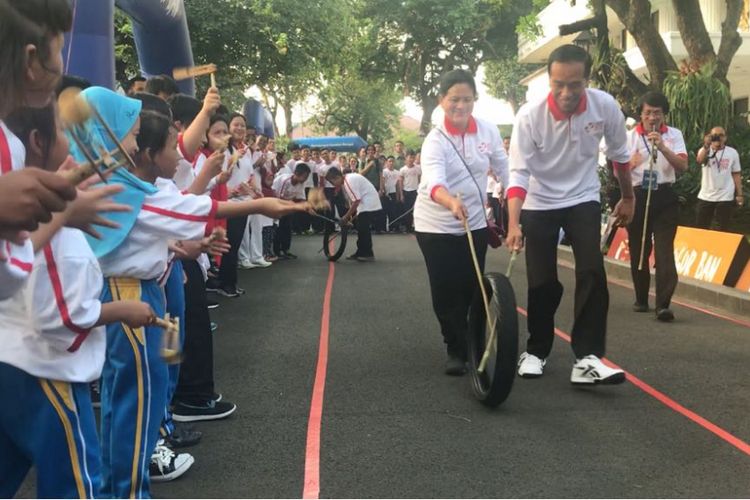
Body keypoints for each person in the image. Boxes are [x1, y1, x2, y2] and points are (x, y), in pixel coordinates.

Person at [1, 102, 155, 499]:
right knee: (77, 483)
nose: (73, 144)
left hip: (16, 364)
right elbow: (62, 317)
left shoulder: (26, 213)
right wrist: (123, 310)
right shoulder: (57, 235)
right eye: (64, 132)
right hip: (48, 372)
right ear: (37, 142)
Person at [506, 44, 635, 385]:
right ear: (549, 80)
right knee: (542, 281)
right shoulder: (529, 117)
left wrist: (628, 198)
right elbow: (518, 174)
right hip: (539, 201)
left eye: (574, 84)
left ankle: (588, 358)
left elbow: (620, 156)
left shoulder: (604, 105)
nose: (566, 92)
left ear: (587, 80)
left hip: (582, 197)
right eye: (558, 84)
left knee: (592, 269)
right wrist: (513, 222)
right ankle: (536, 350)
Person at [413, 69, 508, 375]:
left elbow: (504, 168)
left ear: (474, 100)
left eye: (467, 99)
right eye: (454, 99)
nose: (460, 105)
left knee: (472, 286)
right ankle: (455, 347)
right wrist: (451, 202)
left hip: (475, 223)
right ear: (442, 101)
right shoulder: (434, 141)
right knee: (446, 289)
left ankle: (472, 338)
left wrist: (519, 199)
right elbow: (434, 183)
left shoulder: (488, 131)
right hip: (435, 226)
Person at [625, 91, 688, 321]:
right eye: (648, 112)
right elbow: (618, 169)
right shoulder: (630, 137)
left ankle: (663, 304)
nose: (653, 117)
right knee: (639, 248)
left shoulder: (673, 135)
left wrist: (662, 147)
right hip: (639, 195)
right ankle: (641, 297)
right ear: (641, 114)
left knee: (664, 250)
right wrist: (634, 161)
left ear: (664, 115)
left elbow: (682, 166)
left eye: (657, 113)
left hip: (665, 196)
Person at [325, 167, 382, 262]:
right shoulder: (349, 178)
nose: (333, 185)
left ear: (337, 177)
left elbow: (356, 201)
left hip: (369, 203)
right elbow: (355, 201)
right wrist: (350, 217)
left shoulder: (348, 181)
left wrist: (346, 217)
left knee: (363, 229)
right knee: (361, 228)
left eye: (332, 182)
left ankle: (367, 254)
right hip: (366, 203)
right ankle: (360, 252)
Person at [695, 126, 744, 231]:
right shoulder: (704, 150)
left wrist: (739, 194)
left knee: (722, 228)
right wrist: (707, 145)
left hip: (725, 195)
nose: (718, 138)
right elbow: (699, 160)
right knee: (701, 227)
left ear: (725, 138)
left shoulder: (732, 153)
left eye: (721, 135)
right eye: (715, 135)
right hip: (706, 195)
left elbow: (736, 174)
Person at [273, 162, 311, 259]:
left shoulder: (301, 183)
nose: (306, 179)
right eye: (304, 177)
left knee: (287, 227)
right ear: (296, 173)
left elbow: (302, 198)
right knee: (279, 228)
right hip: (277, 204)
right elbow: (278, 197)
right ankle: (277, 251)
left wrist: (308, 208)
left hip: (289, 205)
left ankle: (286, 250)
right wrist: (293, 205)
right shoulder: (284, 180)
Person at [399, 150, 421, 232]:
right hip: (406, 191)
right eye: (410, 157)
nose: (411, 159)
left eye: (413, 157)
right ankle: (407, 227)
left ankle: (414, 226)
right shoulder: (402, 170)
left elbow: (419, 180)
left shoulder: (418, 168)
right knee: (406, 210)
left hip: (415, 191)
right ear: (406, 158)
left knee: (415, 210)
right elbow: (401, 182)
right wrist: (401, 194)